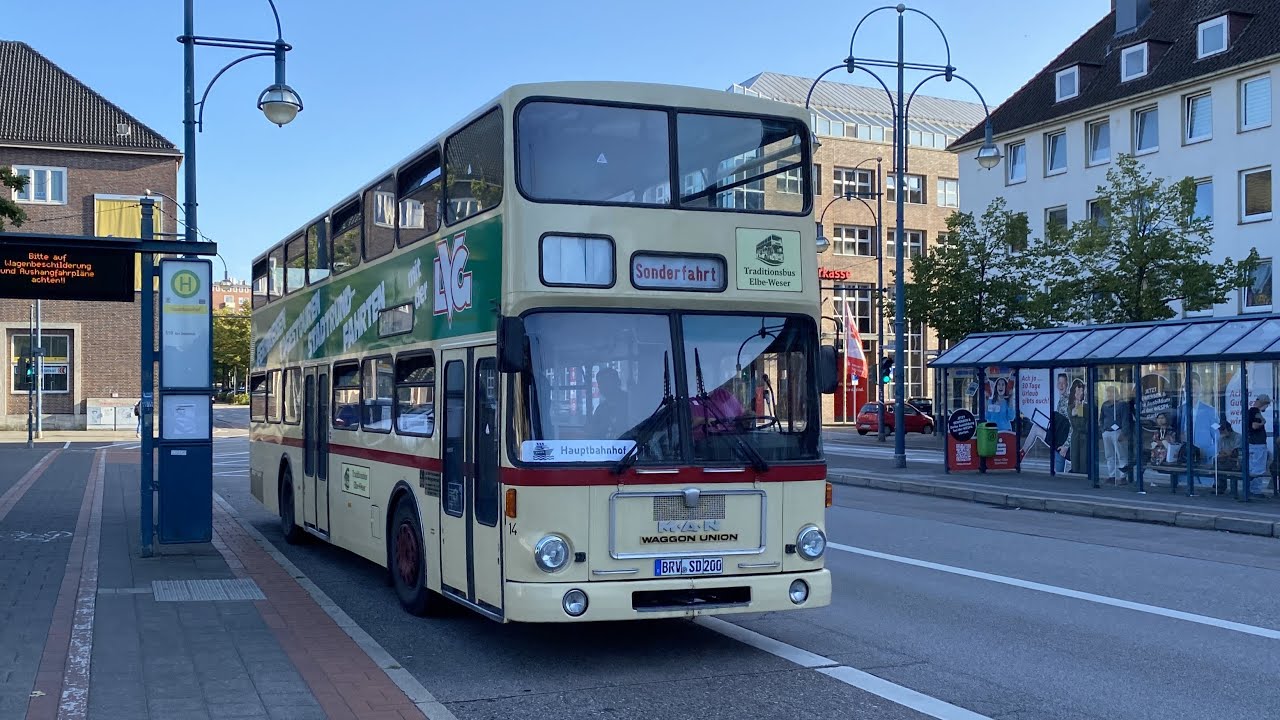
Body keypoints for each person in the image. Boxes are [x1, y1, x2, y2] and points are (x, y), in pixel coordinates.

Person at [1099, 385, 1133, 483]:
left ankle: (1123, 476)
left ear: (1116, 394)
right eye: (1108, 393)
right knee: (1109, 455)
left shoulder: (1122, 405)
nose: (1109, 395)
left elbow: (1125, 419)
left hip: (1118, 431)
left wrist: (1123, 433)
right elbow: (1101, 418)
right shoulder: (1105, 405)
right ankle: (1112, 475)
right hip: (1107, 432)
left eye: (1111, 392)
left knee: (1121, 454)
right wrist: (1103, 429)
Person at [588, 367, 628, 438]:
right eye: (600, 383)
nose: (602, 386)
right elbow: (594, 433)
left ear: (617, 382)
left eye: (607, 382)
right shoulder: (600, 409)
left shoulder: (630, 402)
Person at [1246, 394, 1272, 496]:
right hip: (1258, 444)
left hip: (1252, 443)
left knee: (1252, 467)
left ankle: (1250, 489)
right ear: (1263, 403)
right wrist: (1263, 422)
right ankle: (1255, 490)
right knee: (1258, 468)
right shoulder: (1255, 412)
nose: (1267, 407)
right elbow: (1254, 426)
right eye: (1267, 404)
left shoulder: (1250, 412)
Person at [1215, 415, 1241, 494]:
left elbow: (1234, 453)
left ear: (1228, 429)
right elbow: (1220, 452)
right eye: (1220, 430)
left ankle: (1232, 490)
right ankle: (1220, 486)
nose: (1221, 432)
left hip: (1235, 462)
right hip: (1225, 460)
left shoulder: (1237, 437)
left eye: (1223, 430)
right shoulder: (1220, 439)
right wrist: (1227, 453)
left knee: (1221, 464)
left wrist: (1227, 453)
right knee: (1217, 462)